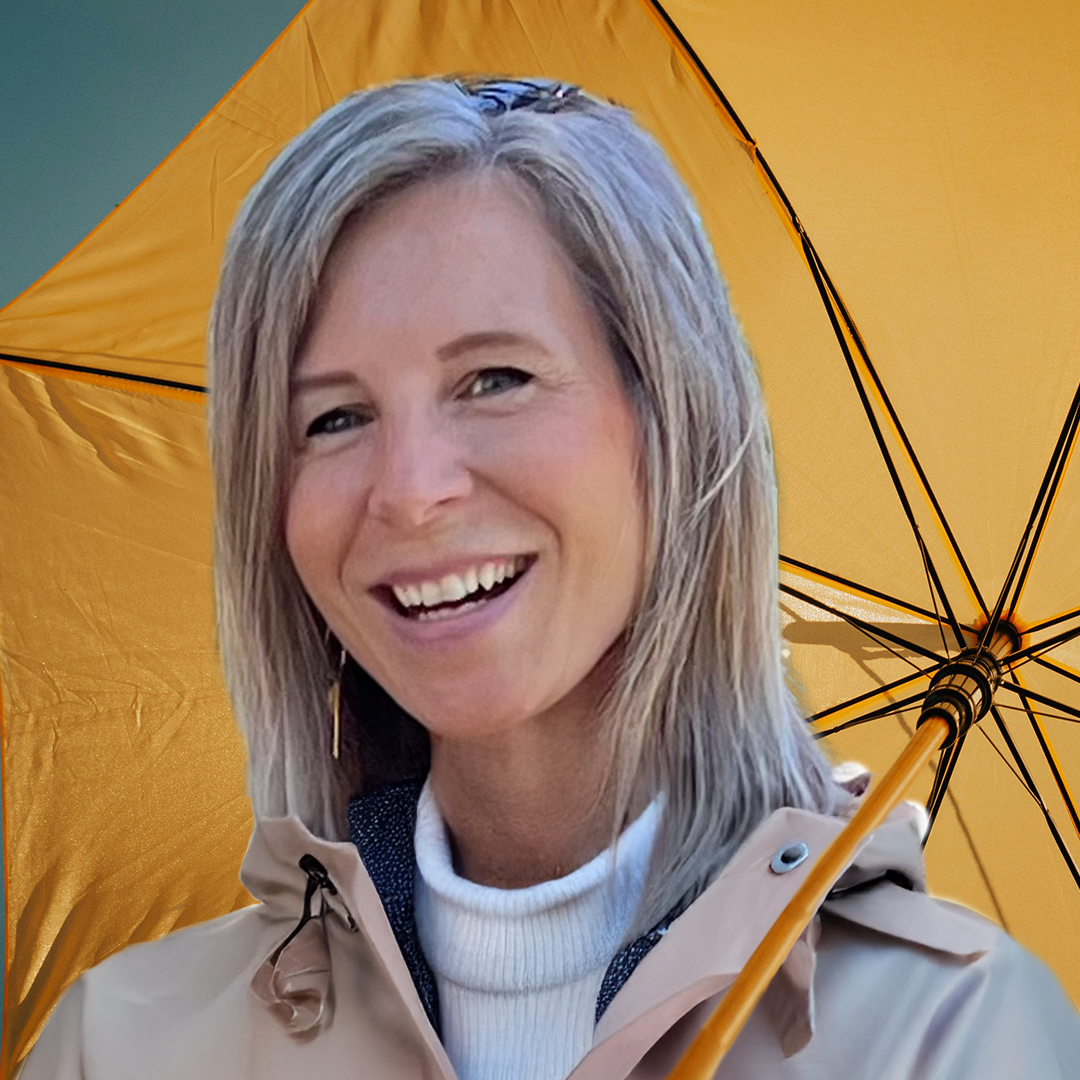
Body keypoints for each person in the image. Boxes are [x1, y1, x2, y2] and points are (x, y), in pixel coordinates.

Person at [18, 76, 1080, 1080]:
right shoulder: (122, 1046)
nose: (411, 490)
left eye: (495, 379)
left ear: (669, 422)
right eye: (332, 417)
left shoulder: (949, 1039)